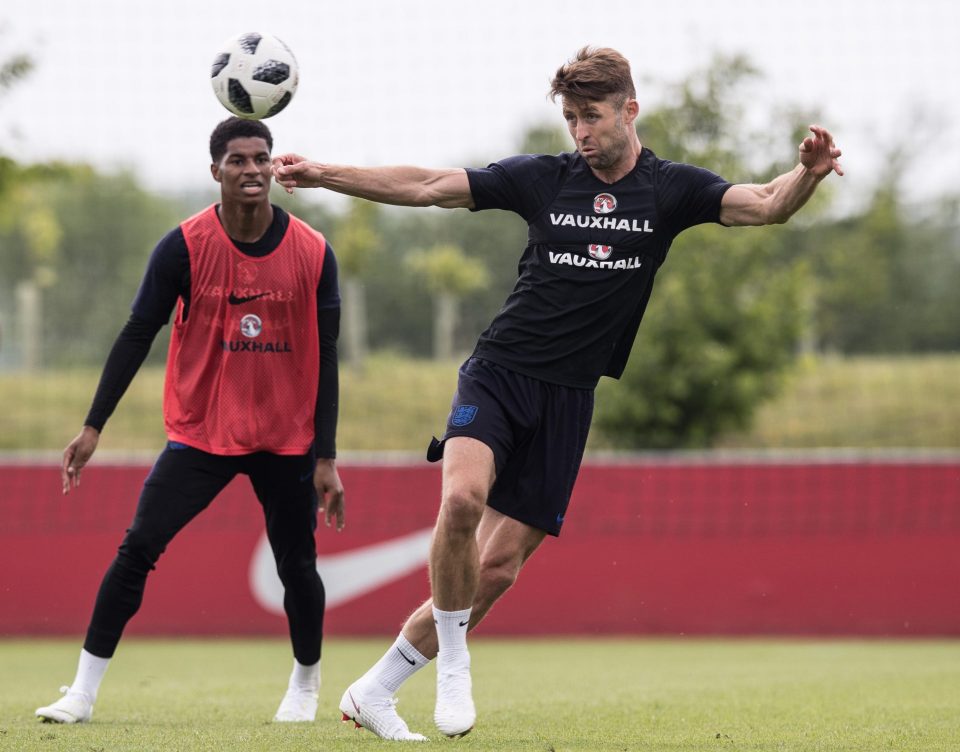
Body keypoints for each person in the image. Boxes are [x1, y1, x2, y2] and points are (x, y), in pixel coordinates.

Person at [272, 46, 843, 741]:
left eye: (593, 116)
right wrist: (324, 173)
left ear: (630, 111)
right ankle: (455, 663)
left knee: (498, 568)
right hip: (500, 370)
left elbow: (764, 205)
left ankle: (376, 691)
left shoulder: (671, 190)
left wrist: (807, 175)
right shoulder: (544, 180)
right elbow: (428, 185)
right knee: (460, 500)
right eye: (571, 118)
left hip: (570, 397)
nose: (581, 131)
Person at [35, 117, 345, 725]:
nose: (252, 169)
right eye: (237, 160)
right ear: (216, 172)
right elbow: (136, 333)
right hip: (203, 431)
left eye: (262, 158)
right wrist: (94, 425)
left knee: (297, 567)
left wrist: (326, 455)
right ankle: (81, 693)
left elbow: (328, 356)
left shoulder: (313, 251)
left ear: (274, 167)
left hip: (285, 438)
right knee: (137, 548)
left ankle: (305, 688)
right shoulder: (183, 246)